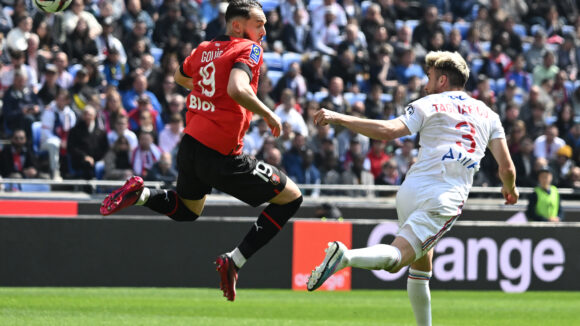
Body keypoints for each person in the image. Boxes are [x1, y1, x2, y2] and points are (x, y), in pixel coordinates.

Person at [100, 0, 302, 302]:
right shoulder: (249, 49)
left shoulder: (205, 48)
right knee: (292, 198)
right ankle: (235, 260)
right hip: (222, 155)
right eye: (258, 23)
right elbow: (236, 88)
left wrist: (212, 90)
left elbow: (181, 78)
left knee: (187, 210)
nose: (264, 29)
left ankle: (140, 194)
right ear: (237, 26)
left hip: (191, 144)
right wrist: (269, 113)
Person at [307, 51, 519, 326]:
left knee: (421, 264)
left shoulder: (429, 103)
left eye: (429, 77)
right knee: (396, 258)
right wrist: (509, 189)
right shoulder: (489, 115)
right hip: (444, 195)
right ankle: (345, 256)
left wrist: (340, 117)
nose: (425, 83)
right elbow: (507, 168)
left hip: (411, 189)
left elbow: (387, 130)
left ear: (443, 80)